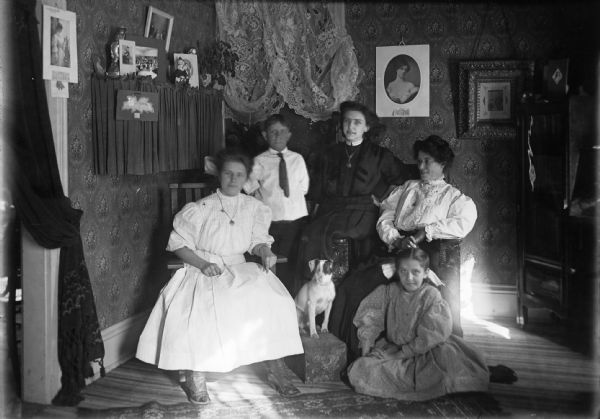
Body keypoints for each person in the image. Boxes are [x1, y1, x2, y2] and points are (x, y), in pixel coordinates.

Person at [136, 148, 304, 404]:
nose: (234, 180)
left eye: (239, 175)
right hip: (203, 267)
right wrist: (202, 264)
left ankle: (276, 367)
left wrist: (266, 251)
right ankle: (196, 374)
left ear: (247, 177)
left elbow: (257, 242)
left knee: (275, 301)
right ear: (219, 175)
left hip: (238, 266)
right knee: (208, 305)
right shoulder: (201, 208)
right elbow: (178, 244)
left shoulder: (254, 207)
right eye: (228, 174)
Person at [329, 135, 477, 362]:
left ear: (442, 164)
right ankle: (352, 351)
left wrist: (424, 233)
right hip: (394, 250)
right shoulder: (407, 188)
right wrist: (396, 239)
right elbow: (385, 217)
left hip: (425, 258)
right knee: (354, 286)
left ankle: (412, 352)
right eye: (419, 161)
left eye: (428, 161)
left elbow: (463, 222)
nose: (421, 167)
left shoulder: (453, 197)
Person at [347, 248, 490, 401]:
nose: (409, 278)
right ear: (398, 271)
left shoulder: (431, 295)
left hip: (428, 350)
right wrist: (368, 353)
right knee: (361, 369)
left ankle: (433, 383)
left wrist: (396, 355)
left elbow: (429, 337)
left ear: (426, 272)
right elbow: (371, 319)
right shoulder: (390, 291)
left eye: (415, 272)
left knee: (447, 368)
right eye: (403, 271)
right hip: (394, 346)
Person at [297, 101, 412, 278]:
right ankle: (317, 286)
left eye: (357, 122)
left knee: (335, 231)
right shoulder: (329, 153)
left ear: (367, 127)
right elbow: (318, 191)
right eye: (346, 121)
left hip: (363, 211)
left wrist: (382, 200)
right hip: (332, 209)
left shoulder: (380, 155)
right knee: (309, 233)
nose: (351, 126)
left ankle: (331, 279)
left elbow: (400, 181)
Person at [243, 114, 310, 294]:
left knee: (292, 264)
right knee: (270, 264)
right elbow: (249, 189)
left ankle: (289, 300)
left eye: (282, 132)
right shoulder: (259, 162)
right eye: (273, 132)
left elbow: (303, 188)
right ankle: (270, 298)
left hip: (295, 221)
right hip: (270, 223)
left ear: (289, 134)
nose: (278, 136)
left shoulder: (297, 160)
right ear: (265, 135)